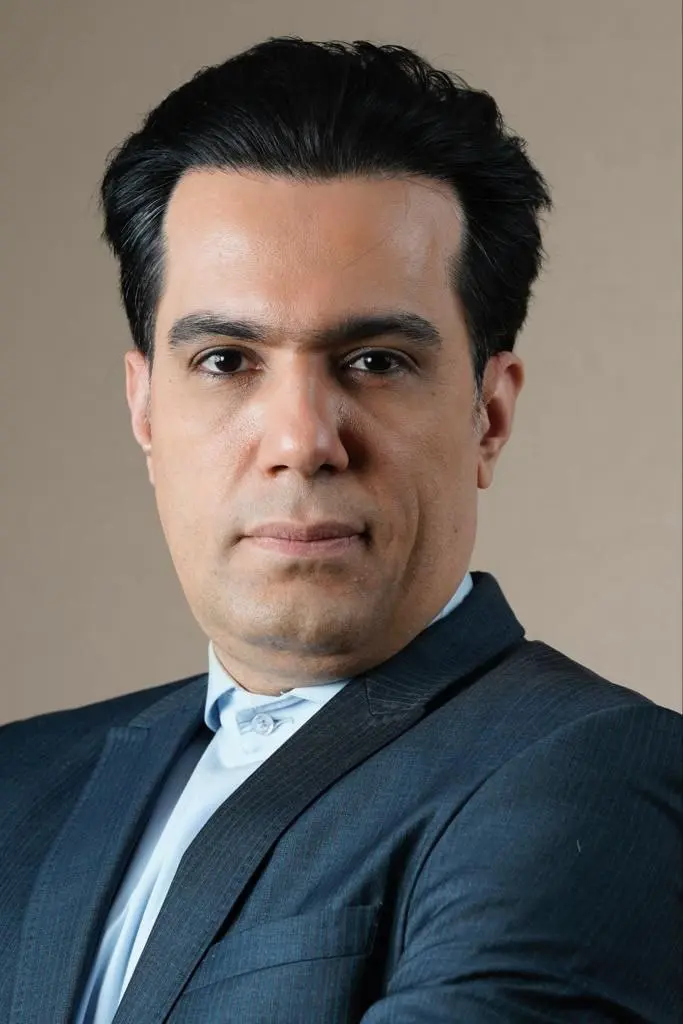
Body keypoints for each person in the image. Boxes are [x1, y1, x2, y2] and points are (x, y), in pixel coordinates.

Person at [0, 35, 680, 1024]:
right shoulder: (17, 782)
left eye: (375, 361)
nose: (301, 441)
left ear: (488, 415)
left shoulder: (595, 777)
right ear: (144, 410)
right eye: (226, 360)